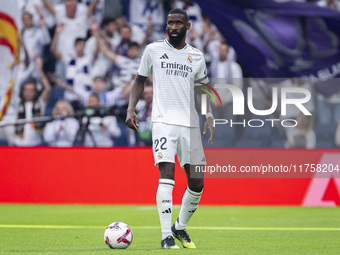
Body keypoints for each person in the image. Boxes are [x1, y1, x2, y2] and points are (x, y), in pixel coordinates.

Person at [125, 8, 214, 249]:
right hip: (163, 121)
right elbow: (140, 79)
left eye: (178, 23)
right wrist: (131, 109)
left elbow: (203, 88)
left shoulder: (196, 56)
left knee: (197, 183)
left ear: (188, 26)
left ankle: (179, 227)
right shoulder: (153, 50)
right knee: (167, 176)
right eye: (170, 23)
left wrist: (208, 115)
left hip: (190, 125)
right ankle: (165, 235)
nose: (173, 27)